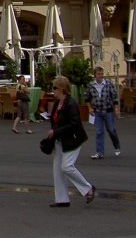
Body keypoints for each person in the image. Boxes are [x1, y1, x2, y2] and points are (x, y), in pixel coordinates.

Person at [46, 75, 95, 207]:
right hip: (60, 140)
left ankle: (88, 188)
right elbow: (55, 120)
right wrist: (53, 132)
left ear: (62, 89)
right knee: (58, 171)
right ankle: (62, 199)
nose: (53, 90)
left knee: (66, 167)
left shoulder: (71, 104)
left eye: (54, 88)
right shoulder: (58, 103)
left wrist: (56, 131)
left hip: (72, 139)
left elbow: (73, 124)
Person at [84, 67, 121, 159]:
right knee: (99, 132)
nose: (100, 75)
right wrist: (90, 108)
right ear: (95, 75)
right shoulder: (91, 85)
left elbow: (115, 97)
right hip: (97, 112)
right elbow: (87, 97)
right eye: (98, 74)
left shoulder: (108, 84)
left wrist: (116, 110)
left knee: (111, 130)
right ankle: (99, 152)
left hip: (108, 110)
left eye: (101, 73)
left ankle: (116, 146)